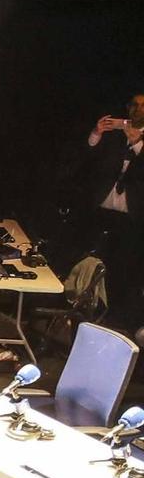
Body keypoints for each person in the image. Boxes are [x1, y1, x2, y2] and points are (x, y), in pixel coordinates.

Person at [82, 95, 144, 325]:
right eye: (134, 105)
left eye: (143, 106)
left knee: (121, 271)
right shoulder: (116, 134)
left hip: (132, 217)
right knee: (87, 261)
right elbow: (89, 160)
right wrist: (97, 133)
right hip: (101, 210)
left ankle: (113, 320)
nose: (137, 109)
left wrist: (137, 143)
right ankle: (81, 310)